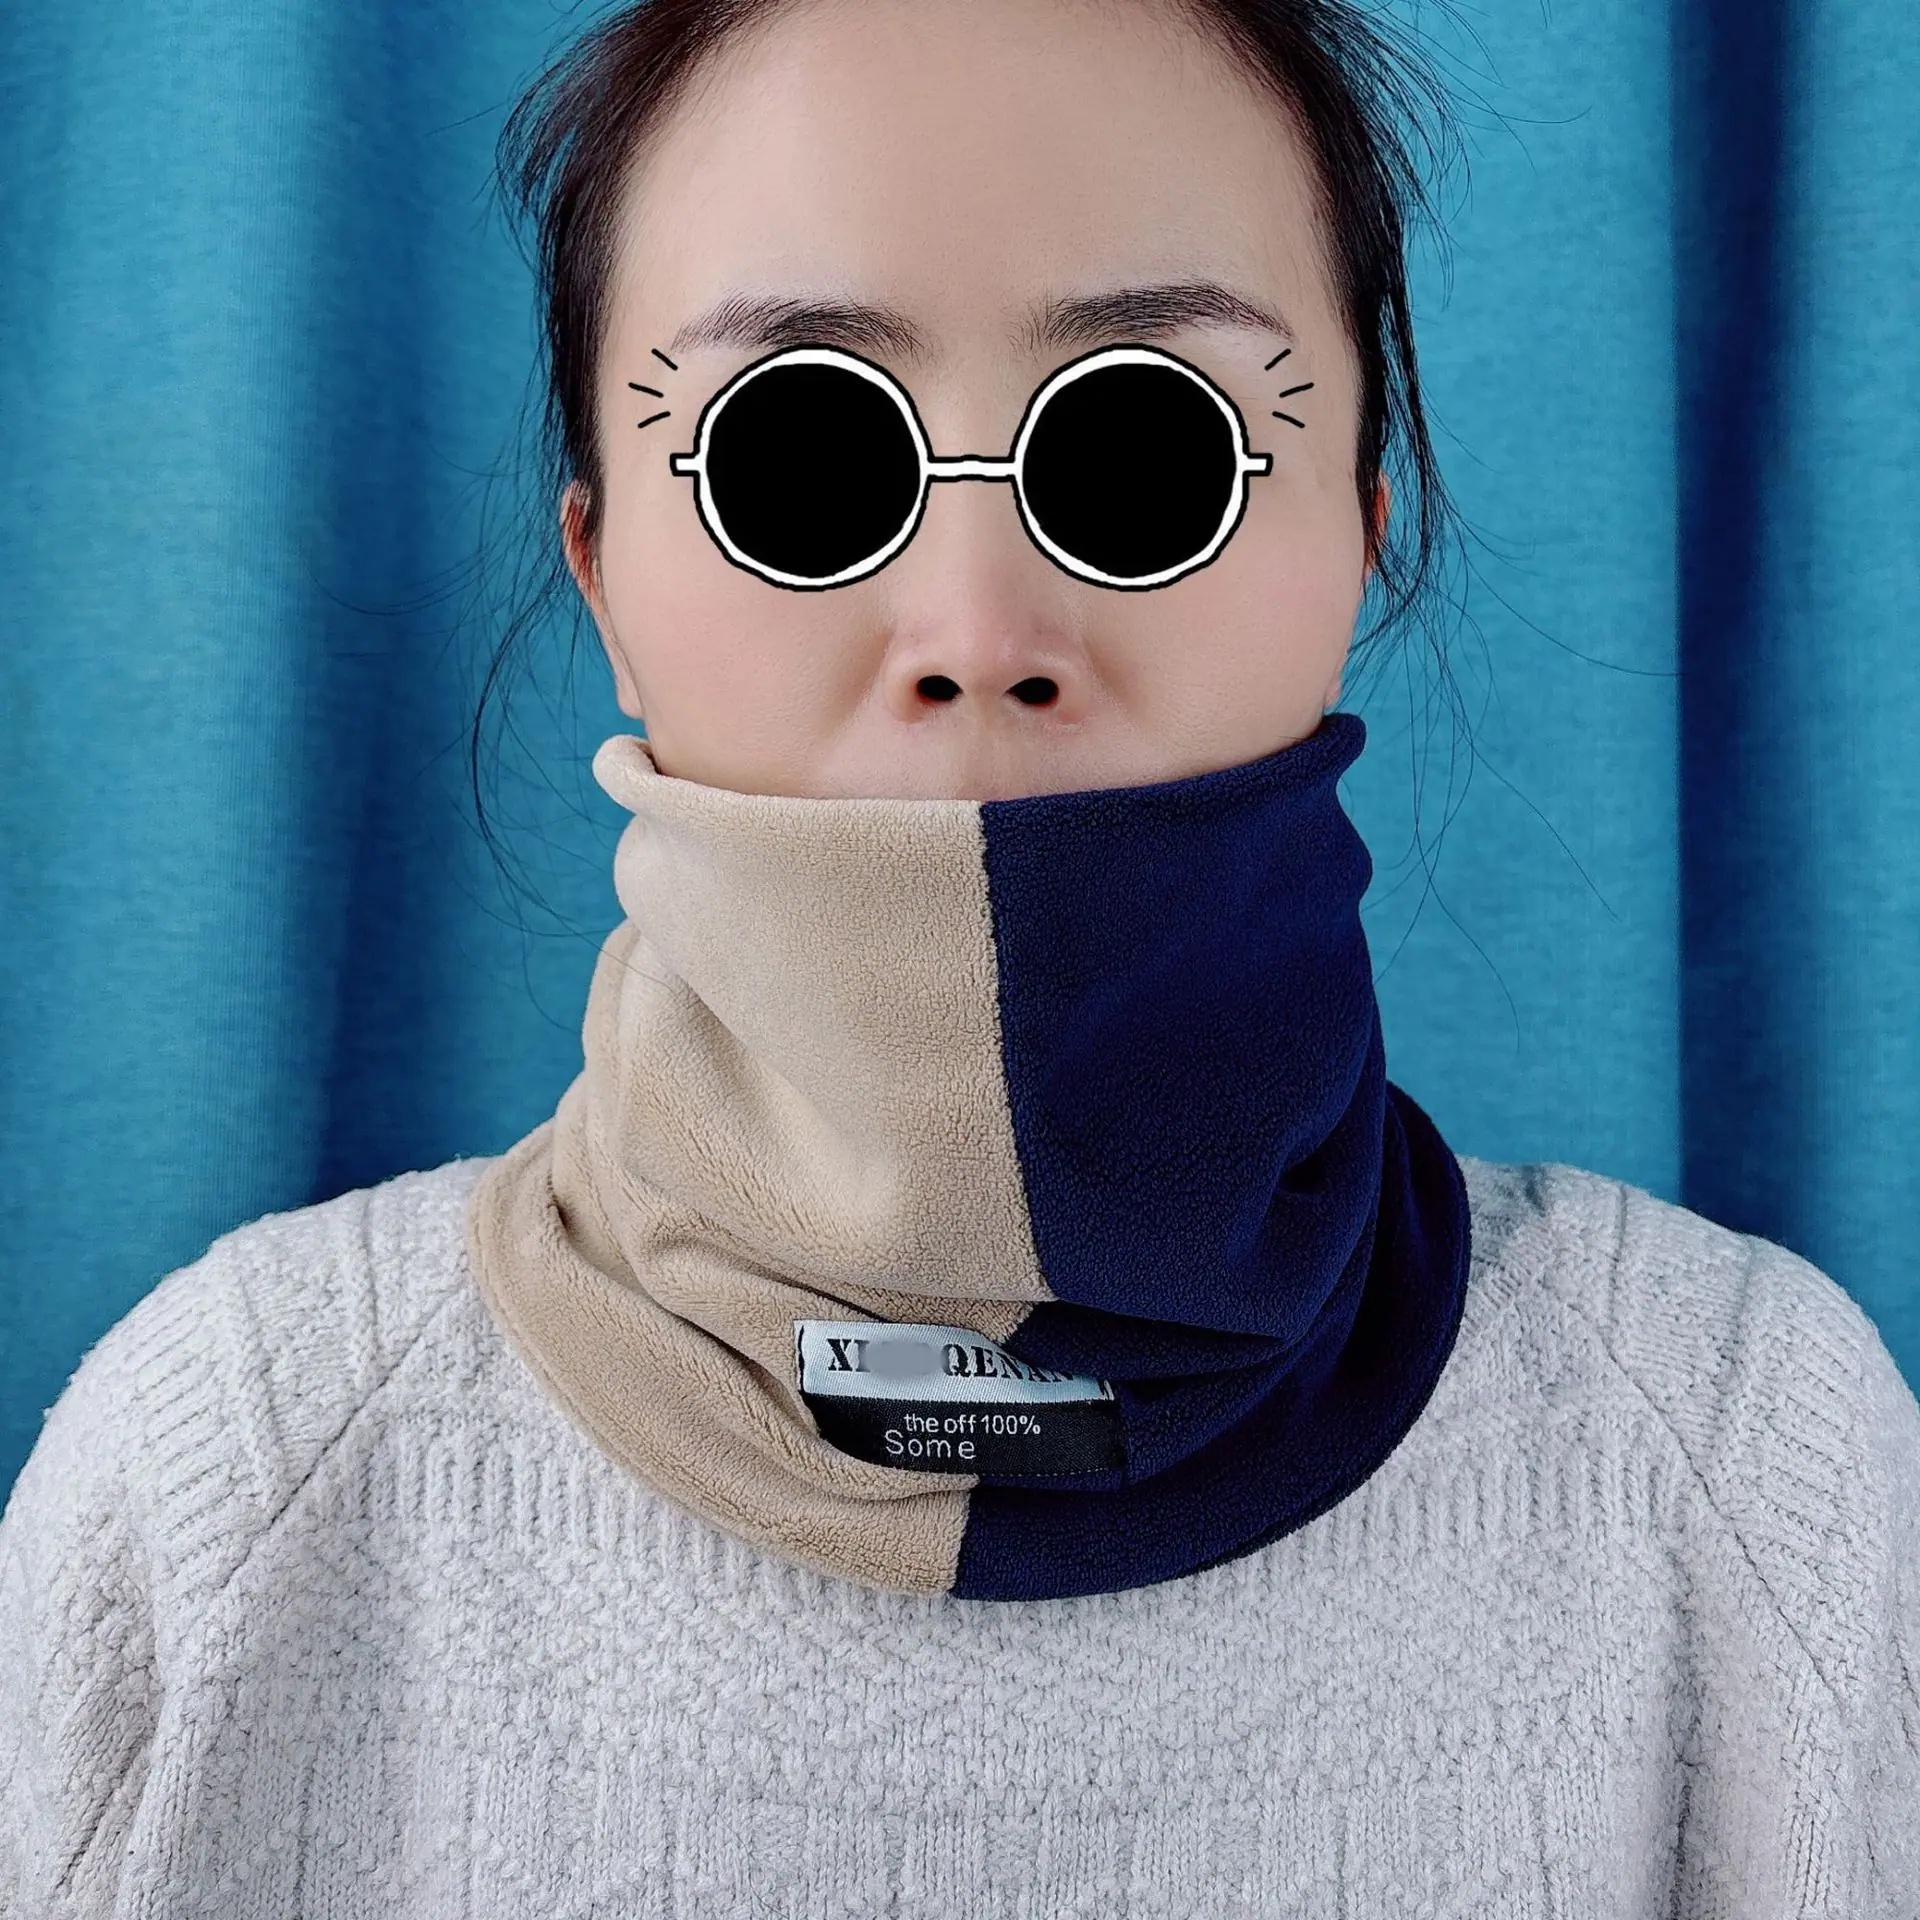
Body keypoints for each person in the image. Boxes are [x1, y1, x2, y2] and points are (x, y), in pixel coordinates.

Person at [4, 0, 1916, 1912]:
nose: (979, 628)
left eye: (1150, 447)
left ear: (1362, 530)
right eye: (800, 456)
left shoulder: (1748, 1467)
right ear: (600, 574)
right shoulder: (229, 1479)